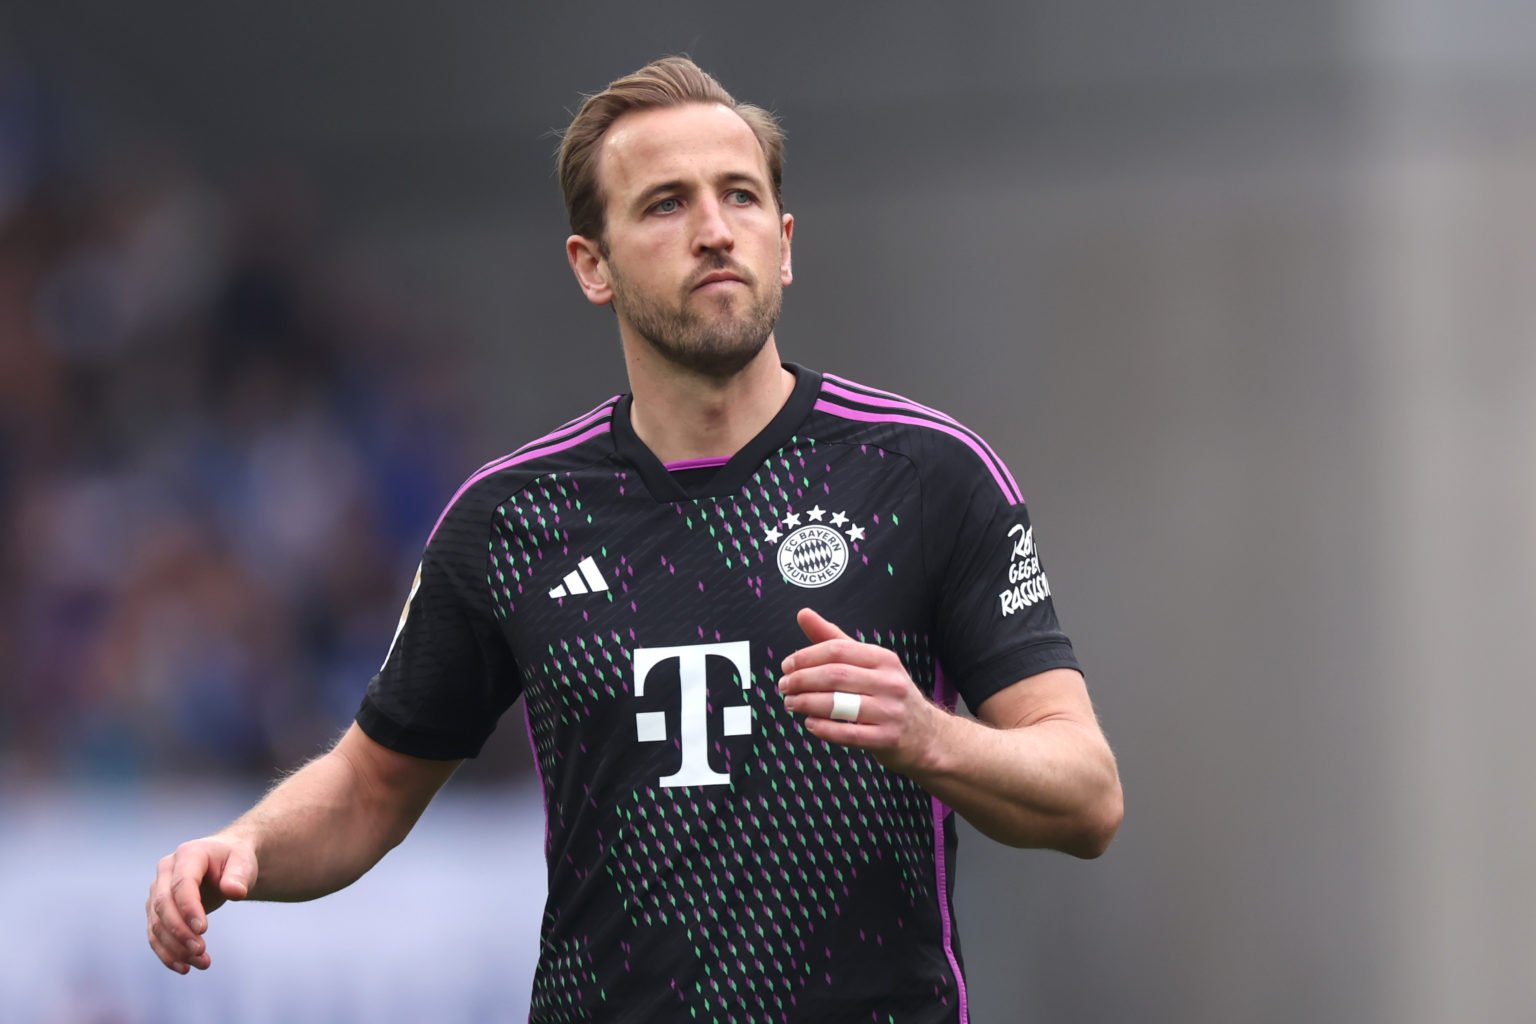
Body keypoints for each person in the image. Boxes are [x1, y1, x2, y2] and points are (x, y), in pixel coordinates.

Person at [146, 56, 1123, 1021]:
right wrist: (248, 849)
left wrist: (932, 735)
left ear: (783, 243)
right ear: (592, 265)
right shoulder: (509, 518)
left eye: (739, 197)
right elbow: (368, 789)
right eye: (665, 204)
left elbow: (1085, 791)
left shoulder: (929, 475)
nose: (712, 230)